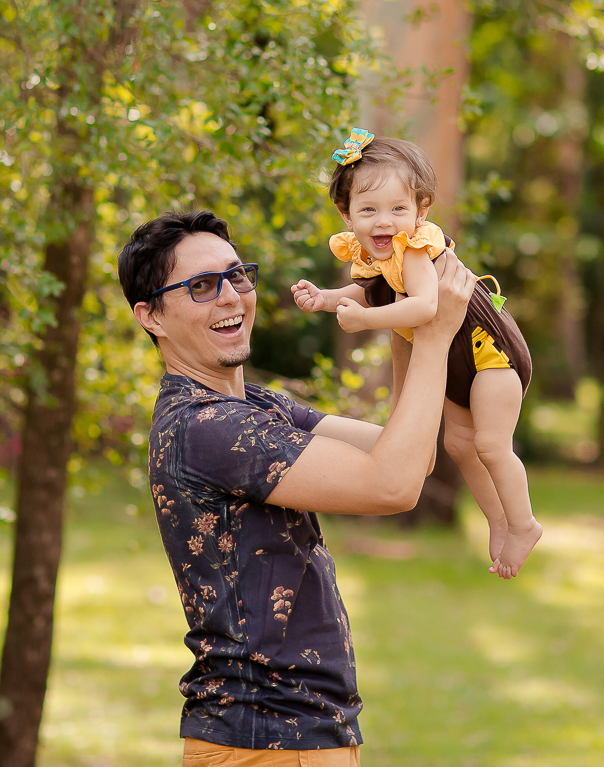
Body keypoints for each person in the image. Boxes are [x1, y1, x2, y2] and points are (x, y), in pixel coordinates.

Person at [117, 209, 475, 766]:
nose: (232, 297)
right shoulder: (208, 427)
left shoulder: (256, 406)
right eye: (202, 287)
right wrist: (436, 334)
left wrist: (403, 323)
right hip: (266, 740)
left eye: (237, 276)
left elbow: (410, 454)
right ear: (152, 316)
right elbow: (393, 487)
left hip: (297, 736)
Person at [290, 129, 541, 579]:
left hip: (491, 356)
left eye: (397, 209)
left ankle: (524, 523)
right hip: (459, 363)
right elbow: (372, 293)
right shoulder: (378, 261)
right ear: (346, 215)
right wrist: (326, 298)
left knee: (489, 444)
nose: (383, 221)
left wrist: (364, 322)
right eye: (368, 210)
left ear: (421, 211)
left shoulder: (417, 252)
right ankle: (498, 519)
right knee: (459, 445)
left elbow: (426, 305)